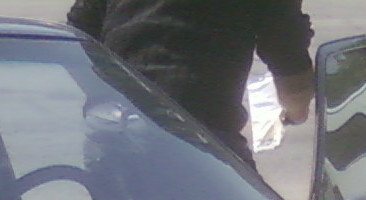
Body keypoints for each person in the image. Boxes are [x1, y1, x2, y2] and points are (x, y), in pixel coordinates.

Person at [66, 0, 315, 162]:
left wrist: (109, 98)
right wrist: (295, 115)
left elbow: (77, 36)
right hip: (197, 131)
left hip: (112, 128)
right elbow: (289, 62)